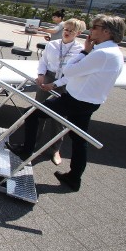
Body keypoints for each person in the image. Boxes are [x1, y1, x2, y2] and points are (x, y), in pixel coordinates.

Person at [7, 15, 126, 191]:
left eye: (95, 27)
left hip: (75, 100)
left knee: (32, 114)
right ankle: (74, 178)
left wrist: (85, 51)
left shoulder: (101, 53)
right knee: (79, 140)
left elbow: (69, 70)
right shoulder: (114, 52)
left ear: (106, 31)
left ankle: (26, 151)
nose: (91, 30)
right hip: (88, 102)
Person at [33, 18, 86, 165]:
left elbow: (74, 73)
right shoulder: (52, 44)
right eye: (66, 29)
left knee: (59, 117)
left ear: (78, 33)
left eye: (71, 30)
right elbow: (43, 61)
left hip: (65, 81)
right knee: (38, 110)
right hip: (48, 76)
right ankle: (33, 143)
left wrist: (55, 84)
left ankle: (55, 149)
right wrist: (41, 75)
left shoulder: (80, 50)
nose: (67, 32)